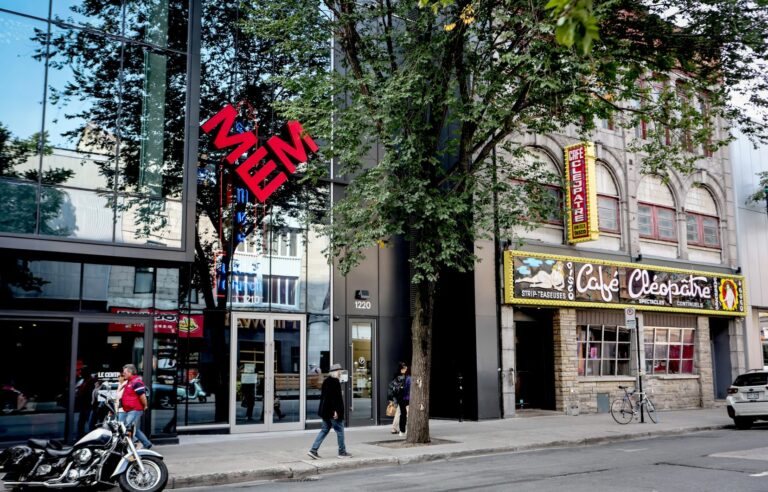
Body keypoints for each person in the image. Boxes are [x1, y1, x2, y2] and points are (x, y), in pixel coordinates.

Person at [307, 363, 350, 459]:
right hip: (333, 412)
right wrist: (335, 411)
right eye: (339, 371)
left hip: (325, 411)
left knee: (324, 430)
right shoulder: (335, 382)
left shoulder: (326, 381)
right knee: (340, 431)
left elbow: (324, 398)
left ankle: (313, 450)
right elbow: (334, 399)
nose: (340, 373)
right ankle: (342, 452)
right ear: (336, 372)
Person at [119, 364, 152, 449]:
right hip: (129, 410)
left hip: (135, 409)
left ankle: (132, 446)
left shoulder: (136, 382)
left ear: (130, 372)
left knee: (128, 428)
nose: (123, 374)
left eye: (125, 372)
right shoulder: (130, 382)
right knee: (134, 429)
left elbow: (142, 395)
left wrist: (145, 405)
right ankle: (147, 444)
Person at [396, 362, 411, 436]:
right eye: (403, 368)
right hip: (404, 398)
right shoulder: (405, 377)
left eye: (405, 368)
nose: (405, 369)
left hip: (403, 398)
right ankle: (402, 430)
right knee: (404, 414)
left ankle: (403, 430)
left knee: (404, 414)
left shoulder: (406, 377)